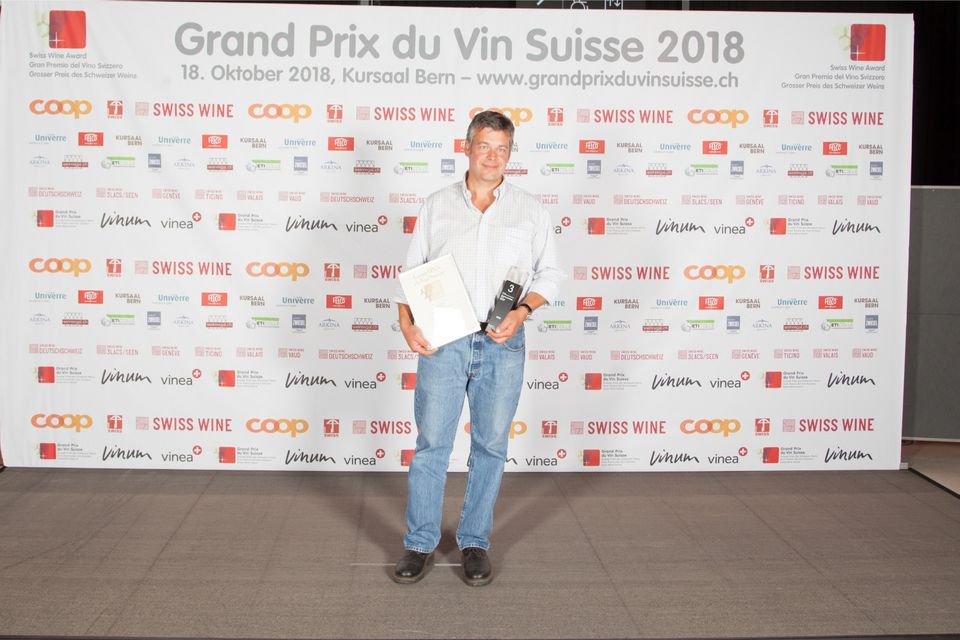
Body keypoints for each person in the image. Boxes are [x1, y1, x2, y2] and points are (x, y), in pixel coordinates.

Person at [392, 110, 564, 586]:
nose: (492, 157)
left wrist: (522, 311)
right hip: (444, 341)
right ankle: (419, 543)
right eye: (484, 146)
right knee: (432, 445)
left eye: (501, 149)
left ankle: (474, 541)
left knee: (490, 446)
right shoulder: (436, 205)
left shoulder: (530, 209)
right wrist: (406, 324)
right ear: (466, 148)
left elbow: (551, 273)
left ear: (510, 154)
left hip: (501, 343)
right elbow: (410, 273)